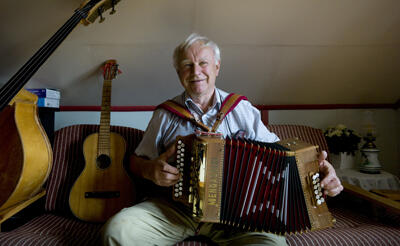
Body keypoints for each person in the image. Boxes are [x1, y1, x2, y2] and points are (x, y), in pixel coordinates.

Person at [101, 33, 343, 246]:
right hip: (175, 211)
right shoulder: (165, 114)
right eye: (187, 65)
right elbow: (135, 161)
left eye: (203, 63)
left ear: (217, 67)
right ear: (178, 73)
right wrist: (149, 169)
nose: (196, 72)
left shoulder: (242, 109)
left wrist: (319, 171)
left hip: (241, 217)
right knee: (117, 232)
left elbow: (283, 156)